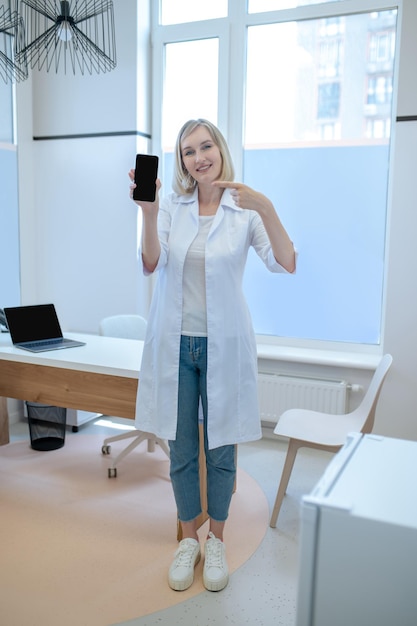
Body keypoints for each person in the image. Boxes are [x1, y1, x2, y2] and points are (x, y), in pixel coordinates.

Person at [129, 118, 296, 593]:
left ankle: (216, 540)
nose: (198, 157)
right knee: (182, 449)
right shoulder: (172, 208)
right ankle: (188, 539)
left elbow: (286, 261)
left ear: (220, 150)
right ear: (181, 161)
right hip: (175, 345)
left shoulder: (244, 213)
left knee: (221, 448)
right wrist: (148, 210)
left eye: (205, 147)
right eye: (187, 151)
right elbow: (150, 262)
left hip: (224, 346)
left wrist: (264, 205)